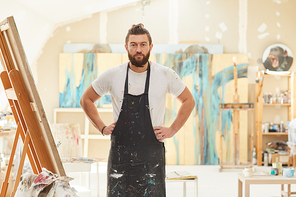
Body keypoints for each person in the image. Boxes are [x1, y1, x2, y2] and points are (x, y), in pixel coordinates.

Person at [80, 23, 195, 197]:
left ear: (150, 47)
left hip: (151, 159)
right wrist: (102, 128)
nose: (138, 49)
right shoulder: (113, 75)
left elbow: (188, 100)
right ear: (126, 47)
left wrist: (172, 129)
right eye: (133, 45)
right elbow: (86, 99)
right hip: (120, 158)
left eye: (143, 44)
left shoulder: (164, 74)